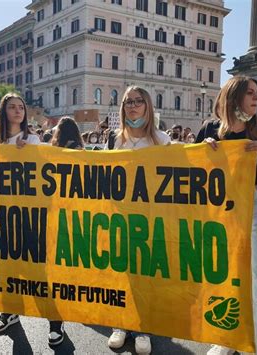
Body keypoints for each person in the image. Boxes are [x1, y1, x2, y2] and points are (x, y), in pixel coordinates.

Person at [195, 76, 257, 355]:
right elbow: (192, 172)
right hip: (217, 214)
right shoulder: (209, 129)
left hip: (250, 211)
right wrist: (203, 152)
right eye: (250, 92)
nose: (256, 97)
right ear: (233, 96)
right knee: (224, 279)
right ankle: (227, 340)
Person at [0, 93, 71, 345]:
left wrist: (32, 153)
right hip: (4, 214)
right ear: (3, 112)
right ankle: (11, 311)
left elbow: (44, 174)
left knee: (39, 271)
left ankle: (55, 321)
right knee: (7, 268)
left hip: (30, 216)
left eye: (21, 108)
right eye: (12, 107)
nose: (18, 111)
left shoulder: (32, 139)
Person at [107, 85, 170, 355]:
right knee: (122, 271)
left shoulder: (162, 140)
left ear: (147, 106)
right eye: (127, 102)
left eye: (137, 101)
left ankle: (144, 327)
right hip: (120, 215)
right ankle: (120, 323)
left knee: (144, 274)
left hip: (150, 217)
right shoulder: (115, 139)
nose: (132, 106)